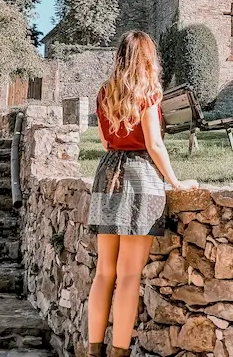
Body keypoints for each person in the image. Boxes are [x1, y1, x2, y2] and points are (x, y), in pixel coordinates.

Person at [86, 31, 198, 357]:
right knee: (130, 275)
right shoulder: (148, 92)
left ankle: (94, 350)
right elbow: (154, 143)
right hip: (140, 179)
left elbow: (106, 143)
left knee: (104, 271)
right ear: (148, 58)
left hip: (107, 175)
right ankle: (119, 353)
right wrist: (176, 182)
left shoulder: (105, 92)